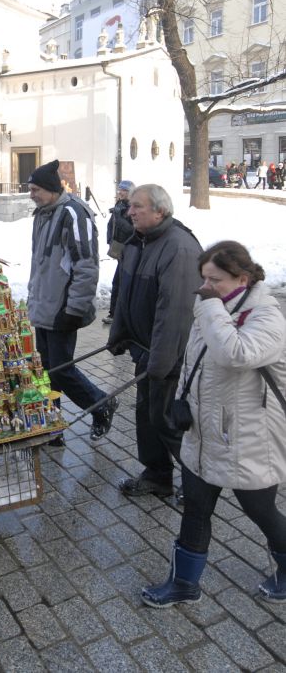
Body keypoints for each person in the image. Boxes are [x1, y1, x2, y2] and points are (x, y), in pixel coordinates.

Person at [142, 241, 286, 607]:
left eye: (215, 280)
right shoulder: (214, 306)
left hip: (248, 440)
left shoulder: (266, 316)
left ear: (242, 277)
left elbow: (234, 354)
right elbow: (195, 362)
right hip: (204, 433)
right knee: (195, 509)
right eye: (203, 278)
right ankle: (183, 585)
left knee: (261, 512)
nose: (205, 286)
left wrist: (209, 306)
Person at [108, 184, 201, 497]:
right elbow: (122, 293)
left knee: (165, 420)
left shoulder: (179, 248)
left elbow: (175, 313)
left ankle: (197, 486)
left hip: (169, 354)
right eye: (131, 206)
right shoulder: (139, 241)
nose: (130, 211)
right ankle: (157, 476)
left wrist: (159, 363)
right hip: (147, 351)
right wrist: (120, 334)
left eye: (137, 206)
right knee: (147, 417)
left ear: (160, 211)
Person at [27, 159, 118, 444]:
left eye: (36, 189)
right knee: (45, 370)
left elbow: (86, 266)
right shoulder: (44, 212)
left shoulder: (73, 214)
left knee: (61, 370)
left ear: (52, 189)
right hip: (44, 305)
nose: (31, 194)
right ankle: (53, 426)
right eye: (30, 188)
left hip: (62, 309)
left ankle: (100, 403)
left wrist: (74, 308)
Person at [102, 180, 134, 325]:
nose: (120, 192)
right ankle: (114, 314)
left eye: (124, 190)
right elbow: (111, 225)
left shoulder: (133, 207)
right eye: (119, 190)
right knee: (117, 283)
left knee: (121, 283)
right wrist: (110, 240)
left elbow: (131, 230)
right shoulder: (119, 205)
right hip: (119, 249)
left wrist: (119, 217)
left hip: (130, 250)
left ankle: (118, 315)